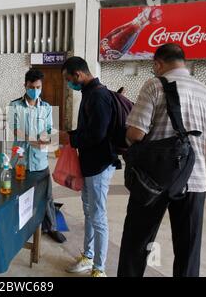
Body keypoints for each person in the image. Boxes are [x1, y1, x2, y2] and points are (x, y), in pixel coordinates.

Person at [117, 43, 206, 277]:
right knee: (188, 251)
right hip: (194, 181)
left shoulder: (154, 85)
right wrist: (189, 153)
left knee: (137, 246)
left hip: (152, 181)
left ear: (158, 64)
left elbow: (136, 133)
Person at [60, 57, 118, 277]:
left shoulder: (99, 95)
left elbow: (97, 134)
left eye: (69, 79)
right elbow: (89, 129)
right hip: (89, 164)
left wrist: (71, 138)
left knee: (98, 216)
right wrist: (71, 136)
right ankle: (89, 256)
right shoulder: (89, 94)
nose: (69, 84)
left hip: (99, 166)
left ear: (78, 75)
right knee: (89, 212)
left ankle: (99, 269)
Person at [8, 68, 66, 243]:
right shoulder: (15, 106)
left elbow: (49, 130)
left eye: (38, 87)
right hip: (20, 161)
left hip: (40, 161)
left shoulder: (46, 108)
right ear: (25, 86)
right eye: (31, 87)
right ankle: (15, 228)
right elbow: (14, 129)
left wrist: (51, 140)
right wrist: (33, 139)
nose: (35, 90)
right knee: (17, 196)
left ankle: (52, 228)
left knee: (47, 196)